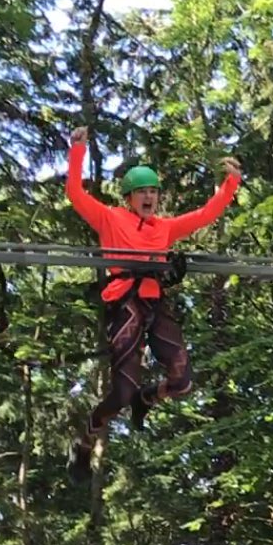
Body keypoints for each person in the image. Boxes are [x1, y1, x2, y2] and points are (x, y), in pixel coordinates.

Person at [66, 126, 242, 480]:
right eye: (142, 192)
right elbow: (75, 193)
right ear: (129, 197)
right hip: (124, 302)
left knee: (183, 380)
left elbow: (204, 216)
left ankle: (148, 398)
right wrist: (78, 150)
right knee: (121, 392)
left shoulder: (163, 228)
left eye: (153, 192)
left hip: (154, 301)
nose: (149, 197)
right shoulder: (110, 218)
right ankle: (86, 440)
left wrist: (231, 184)